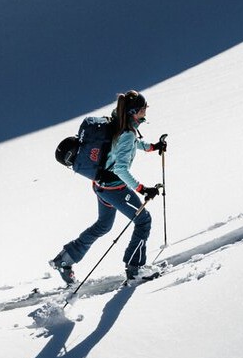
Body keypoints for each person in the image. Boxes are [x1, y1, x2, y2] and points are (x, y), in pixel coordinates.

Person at [50, 90, 166, 284]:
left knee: (103, 225)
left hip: (100, 185)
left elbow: (128, 144)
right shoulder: (127, 131)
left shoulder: (116, 121)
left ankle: (64, 260)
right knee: (143, 221)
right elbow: (121, 168)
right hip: (115, 189)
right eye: (143, 108)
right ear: (134, 112)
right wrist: (142, 189)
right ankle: (135, 269)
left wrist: (153, 147)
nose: (146, 110)